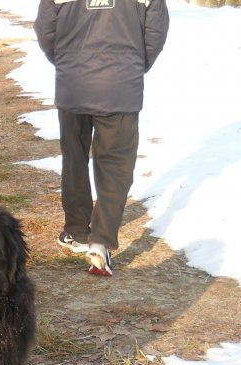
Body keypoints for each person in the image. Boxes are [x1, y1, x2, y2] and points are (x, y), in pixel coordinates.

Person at [34, 0, 169, 276]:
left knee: (74, 159)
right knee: (116, 166)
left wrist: (69, 62)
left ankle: (76, 231)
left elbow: (46, 31)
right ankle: (101, 240)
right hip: (120, 88)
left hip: (74, 85)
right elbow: (155, 32)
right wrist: (132, 66)